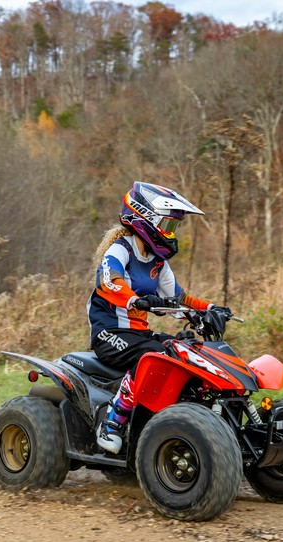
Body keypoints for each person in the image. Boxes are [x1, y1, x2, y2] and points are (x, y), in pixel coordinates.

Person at [88, 181, 214, 454]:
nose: (171, 233)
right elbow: (109, 280)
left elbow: (180, 300)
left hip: (138, 335)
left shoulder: (158, 264)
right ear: (146, 220)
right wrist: (135, 299)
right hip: (109, 334)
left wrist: (210, 309)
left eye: (173, 227)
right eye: (168, 225)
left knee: (184, 352)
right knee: (153, 356)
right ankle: (112, 423)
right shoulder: (120, 250)